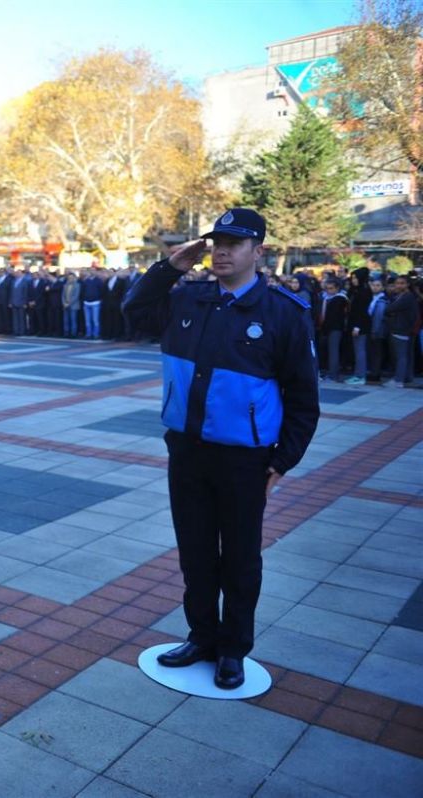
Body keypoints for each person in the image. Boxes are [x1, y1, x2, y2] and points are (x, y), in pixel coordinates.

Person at [123, 208, 319, 689]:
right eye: (216, 242)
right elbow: (133, 313)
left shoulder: (282, 314)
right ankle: (201, 637)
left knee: (240, 558)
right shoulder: (188, 297)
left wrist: (281, 461)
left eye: (235, 243)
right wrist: (170, 266)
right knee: (195, 552)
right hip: (187, 451)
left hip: (244, 460)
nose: (222, 251)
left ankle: (233, 649)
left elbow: (303, 399)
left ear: (260, 251)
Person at [386, 274, 419, 387]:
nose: (398, 285)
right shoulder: (401, 296)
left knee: (401, 356)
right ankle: (406, 377)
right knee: (406, 355)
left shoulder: (407, 297)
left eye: (402, 283)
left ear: (408, 284)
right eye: (397, 283)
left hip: (401, 329)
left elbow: (390, 308)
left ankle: (398, 380)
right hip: (402, 329)